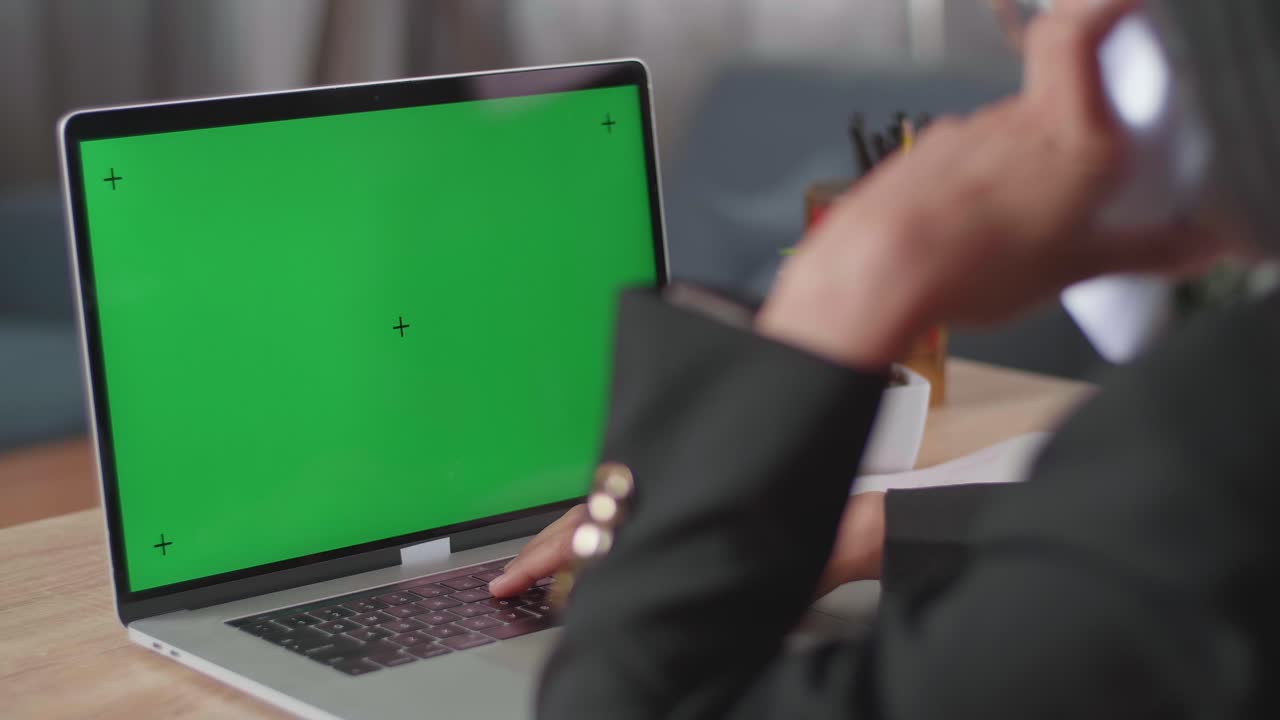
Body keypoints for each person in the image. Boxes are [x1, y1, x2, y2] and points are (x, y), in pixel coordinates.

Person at [507, 0, 1280, 716]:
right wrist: (875, 530)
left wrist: (856, 272)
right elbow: (1145, 544)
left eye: (1032, 10)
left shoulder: (1216, 440)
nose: (1022, 47)